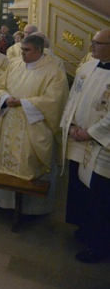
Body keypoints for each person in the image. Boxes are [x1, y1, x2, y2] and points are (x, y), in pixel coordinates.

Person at [0, 34, 68, 214]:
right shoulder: (15, 65)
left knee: (29, 165)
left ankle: (32, 210)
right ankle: (4, 202)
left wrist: (24, 103)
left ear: (39, 51)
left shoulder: (53, 72)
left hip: (34, 127)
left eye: (26, 50)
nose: (22, 53)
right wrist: (5, 98)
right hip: (10, 122)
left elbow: (54, 101)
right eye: (22, 49)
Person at [61, 28, 110, 263]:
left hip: (102, 147)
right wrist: (69, 125)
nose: (91, 46)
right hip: (78, 139)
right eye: (91, 41)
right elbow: (74, 97)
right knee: (80, 189)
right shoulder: (87, 66)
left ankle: (99, 245)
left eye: (97, 43)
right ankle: (84, 228)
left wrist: (90, 133)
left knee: (99, 196)